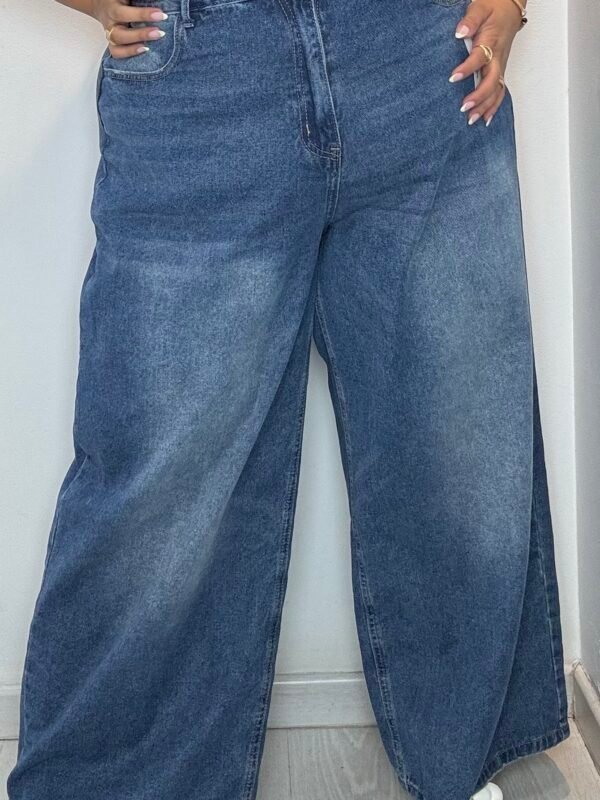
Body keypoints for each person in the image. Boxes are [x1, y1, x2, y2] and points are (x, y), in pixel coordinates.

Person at [7, 0, 570, 799]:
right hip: (201, 74)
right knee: (157, 497)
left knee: (458, 443)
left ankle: (469, 762)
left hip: (417, 57)